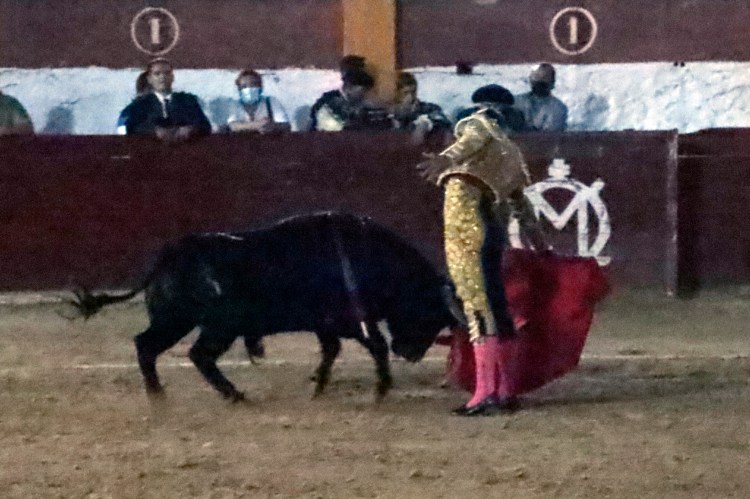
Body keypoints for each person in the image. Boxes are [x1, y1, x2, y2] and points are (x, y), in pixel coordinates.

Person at [416, 91, 544, 416]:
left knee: (476, 306)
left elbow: (472, 136)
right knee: (497, 306)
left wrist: (446, 159)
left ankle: (485, 393)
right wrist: (542, 246)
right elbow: (523, 208)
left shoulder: (476, 123)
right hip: (492, 229)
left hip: (468, 227)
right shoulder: (512, 155)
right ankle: (506, 391)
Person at [125, 58, 211, 142]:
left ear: (172, 77)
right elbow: (131, 128)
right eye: (157, 74)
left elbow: (205, 126)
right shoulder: (140, 104)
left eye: (167, 73)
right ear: (149, 79)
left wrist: (191, 129)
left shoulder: (188, 101)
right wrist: (154, 131)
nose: (162, 77)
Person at [309, 68, 390, 132]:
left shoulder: (357, 103)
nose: (366, 95)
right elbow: (338, 129)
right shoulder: (329, 101)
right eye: (364, 91)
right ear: (349, 87)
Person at [390, 72, 452, 144]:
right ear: (396, 93)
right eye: (405, 93)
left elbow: (444, 121)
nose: (410, 97)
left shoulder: (428, 108)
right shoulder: (387, 114)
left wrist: (425, 122)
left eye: (413, 92)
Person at [224, 69, 290, 134]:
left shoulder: (271, 102)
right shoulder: (235, 104)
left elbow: (286, 125)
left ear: (261, 87)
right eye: (244, 86)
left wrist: (273, 127)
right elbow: (233, 126)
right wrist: (257, 125)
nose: (248, 89)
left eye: (253, 85)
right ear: (239, 89)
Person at [514, 63, 568, 132]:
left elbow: (549, 135)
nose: (539, 87)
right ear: (531, 81)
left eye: (543, 84)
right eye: (536, 82)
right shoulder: (517, 101)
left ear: (552, 83)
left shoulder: (558, 108)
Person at [455, 84, 526, 133]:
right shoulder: (466, 115)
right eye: (486, 105)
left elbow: (519, 134)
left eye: (496, 105)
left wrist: (501, 120)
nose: (490, 108)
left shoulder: (513, 115)